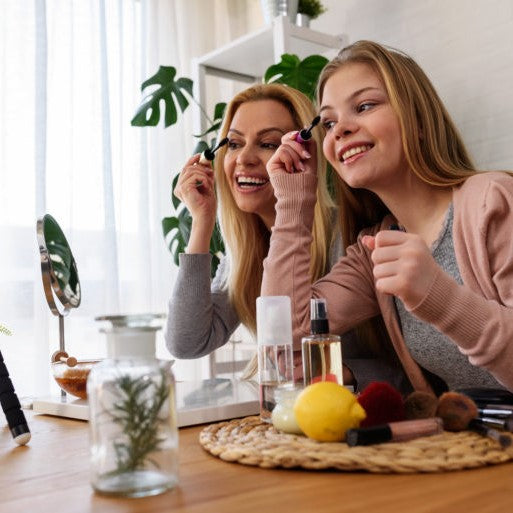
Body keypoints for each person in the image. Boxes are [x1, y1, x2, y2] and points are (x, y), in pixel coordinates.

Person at [262, 40, 513, 393]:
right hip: (459, 448)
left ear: (419, 120)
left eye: (364, 106)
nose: (340, 130)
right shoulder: (373, 252)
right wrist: (294, 202)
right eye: (329, 122)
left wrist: (439, 296)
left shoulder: (492, 201)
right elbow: (287, 346)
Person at [165, 82, 409, 391]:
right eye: (235, 144)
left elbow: (413, 370)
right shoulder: (245, 252)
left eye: (267, 144)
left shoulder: (351, 238)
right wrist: (201, 222)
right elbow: (186, 342)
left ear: (305, 151)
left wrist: (342, 370)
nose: (244, 159)